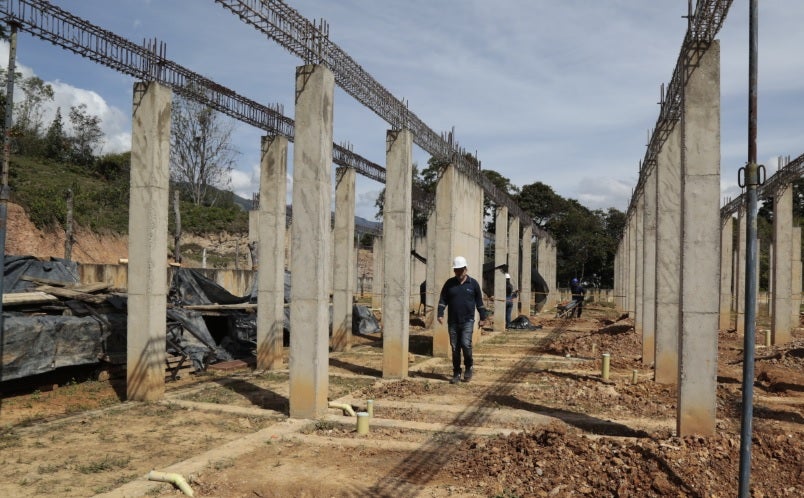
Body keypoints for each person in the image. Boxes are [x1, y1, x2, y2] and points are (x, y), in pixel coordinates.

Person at [437, 256, 489, 384]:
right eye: (456, 270)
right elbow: (443, 299)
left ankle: (469, 366)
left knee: (466, 344)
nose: (458, 272)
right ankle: (456, 372)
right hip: (453, 321)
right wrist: (440, 313)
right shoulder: (449, 284)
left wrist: (483, 317)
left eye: (461, 270)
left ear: (466, 269)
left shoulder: (473, 284)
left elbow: (479, 302)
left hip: (468, 320)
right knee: (455, 348)